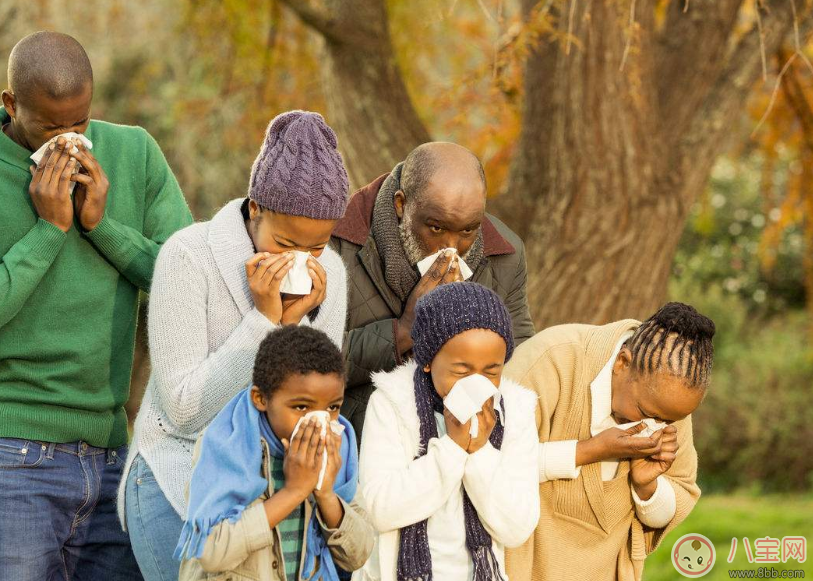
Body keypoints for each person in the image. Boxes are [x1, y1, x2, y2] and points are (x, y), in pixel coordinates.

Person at [0, 31, 193, 580]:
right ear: (11, 105)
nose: (71, 141)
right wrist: (47, 233)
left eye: (81, 123)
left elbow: (187, 287)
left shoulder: (135, 152)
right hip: (10, 460)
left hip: (115, 456)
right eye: (52, 127)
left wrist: (102, 228)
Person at [121, 110, 351, 580]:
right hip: (175, 476)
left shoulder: (334, 277)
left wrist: (294, 320)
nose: (302, 261)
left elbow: (304, 405)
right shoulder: (188, 257)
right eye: (286, 242)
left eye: (317, 247)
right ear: (255, 208)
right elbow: (184, 413)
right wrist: (264, 320)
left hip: (270, 490)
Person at [329, 142, 535, 440]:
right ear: (401, 205)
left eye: (467, 230)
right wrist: (403, 331)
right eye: (436, 228)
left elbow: (521, 361)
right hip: (362, 443)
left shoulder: (505, 253)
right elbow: (306, 364)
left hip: (464, 445)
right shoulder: (337, 242)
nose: (451, 248)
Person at [502, 302, 714, 581]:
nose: (655, 427)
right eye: (647, 413)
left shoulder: (668, 407)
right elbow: (488, 464)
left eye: (668, 421)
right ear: (622, 363)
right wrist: (588, 451)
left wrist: (647, 486)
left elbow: (675, 498)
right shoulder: (551, 359)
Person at [356, 282, 540, 581]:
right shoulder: (392, 403)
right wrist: (453, 449)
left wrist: (480, 452)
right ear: (428, 361)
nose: (477, 382)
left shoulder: (515, 413)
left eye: (491, 371)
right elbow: (380, 509)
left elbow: (517, 527)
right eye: (462, 370)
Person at [177, 325, 373, 581]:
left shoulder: (338, 448)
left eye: (333, 407)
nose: (319, 421)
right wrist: (295, 492)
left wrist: (326, 495)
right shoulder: (228, 446)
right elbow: (211, 552)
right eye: (301, 406)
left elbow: (358, 554)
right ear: (260, 398)